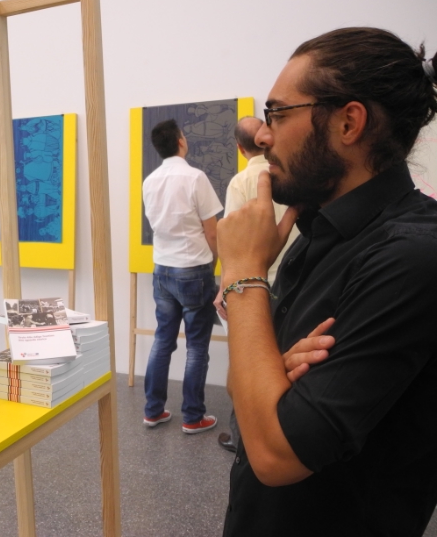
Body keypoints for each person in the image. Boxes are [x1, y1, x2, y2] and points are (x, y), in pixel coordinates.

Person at [218, 27, 437, 536]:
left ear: (348, 122)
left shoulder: (411, 255)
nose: (263, 136)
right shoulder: (316, 230)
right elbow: (242, 390)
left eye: (277, 113)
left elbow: (274, 454)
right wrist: (271, 372)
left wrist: (243, 272)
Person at [214, 116, 300, 453]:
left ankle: (245, 441)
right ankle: (276, 434)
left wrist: (226, 286)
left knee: (247, 365)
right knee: (280, 361)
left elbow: (233, 240)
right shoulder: (290, 175)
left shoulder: (241, 181)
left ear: (239, 148)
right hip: (291, 278)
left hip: (254, 284)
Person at [142, 119, 222, 434]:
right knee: (197, 346)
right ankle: (192, 416)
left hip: (162, 269)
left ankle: (153, 411)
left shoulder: (149, 181)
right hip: (193, 269)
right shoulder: (195, 178)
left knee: (163, 340)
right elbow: (212, 231)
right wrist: (215, 263)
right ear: (181, 141)